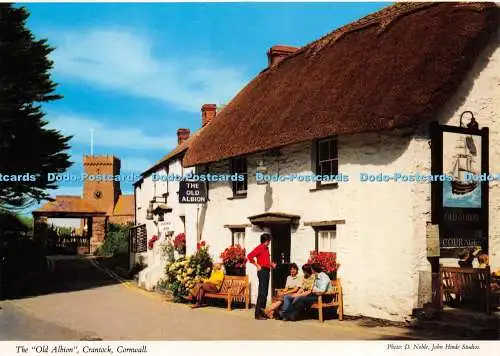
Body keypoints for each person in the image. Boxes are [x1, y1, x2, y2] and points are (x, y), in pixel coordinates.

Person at [247, 233, 276, 320]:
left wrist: (271, 264)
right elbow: (249, 256)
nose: (269, 242)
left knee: (265, 293)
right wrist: (257, 265)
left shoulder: (266, 249)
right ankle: (257, 314)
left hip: (267, 270)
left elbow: (265, 260)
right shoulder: (260, 247)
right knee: (262, 293)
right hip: (262, 271)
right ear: (266, 241)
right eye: (269, 240)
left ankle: (262, 312)